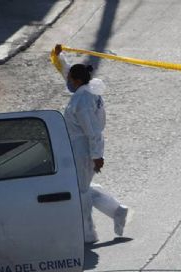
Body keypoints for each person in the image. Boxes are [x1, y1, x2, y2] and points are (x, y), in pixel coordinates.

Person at [52, 44, 130, 244]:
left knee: (81, 190)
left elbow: (92, 131)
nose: (67, 81)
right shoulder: (87, 90)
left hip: (83, 149)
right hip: (78, 147)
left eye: (70, 79)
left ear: (77, 81)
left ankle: (88, 233)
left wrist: (96, 156)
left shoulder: (83, 101)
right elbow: (69, 72)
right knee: (82, 186)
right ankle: (116, 211)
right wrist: (59, 57)